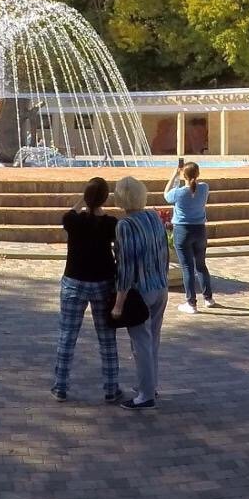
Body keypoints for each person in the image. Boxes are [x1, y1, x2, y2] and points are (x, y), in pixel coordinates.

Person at [51, 177, 121, 403]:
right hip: (103, 282)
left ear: (85, 196)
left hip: (74, 280)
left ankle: (60, 386)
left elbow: (71, 212)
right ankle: (111, 388)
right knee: (107, 338)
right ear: (105, 199)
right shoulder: (112, 223)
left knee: (67, 336)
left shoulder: (72, 220)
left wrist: (83, 200)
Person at [111, 176, 170, 410]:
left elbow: (125, 265)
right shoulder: (154, 217)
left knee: (141, 343)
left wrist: (118, 303)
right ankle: (150, 385)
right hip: (160, 286)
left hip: (140, 291)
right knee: (152, 340)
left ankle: (145, 395)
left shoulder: (125, 225)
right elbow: (163, 249)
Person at [165, 161, 215, 313]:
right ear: (198, 174)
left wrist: (174, 174)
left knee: (187, 267)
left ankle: (191, 303)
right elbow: (194, 187)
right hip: (200, 230)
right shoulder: (204, 188)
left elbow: (166, 194)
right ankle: (208, 298)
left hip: (183, 230)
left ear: (184, 175)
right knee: (201, 265)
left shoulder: (179, 193)